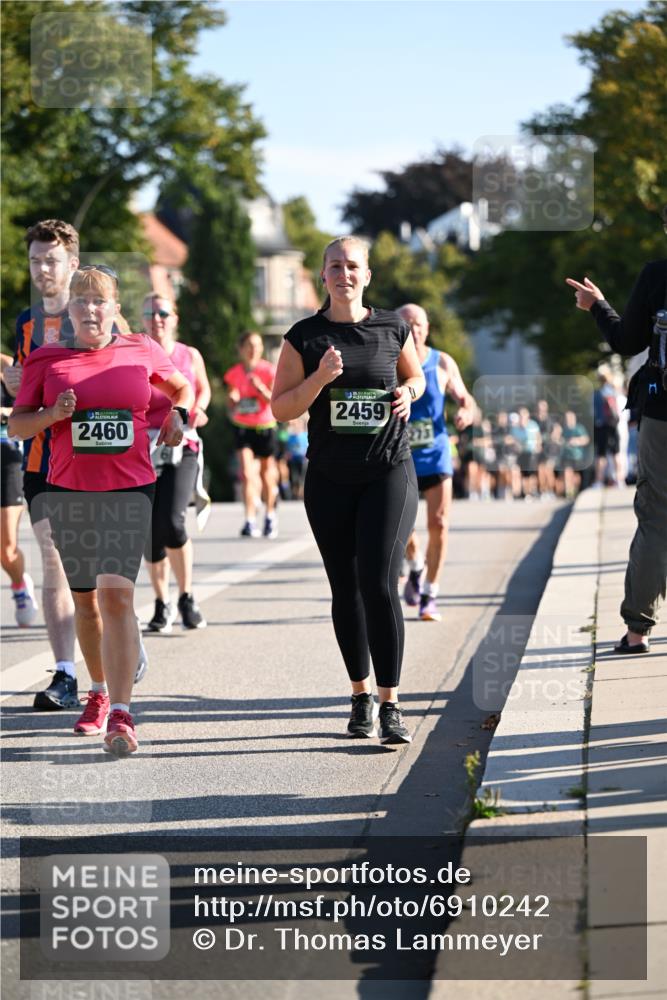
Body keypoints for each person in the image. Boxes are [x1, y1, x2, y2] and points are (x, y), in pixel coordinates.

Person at [9, 266, 193, 754]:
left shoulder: (140, 348)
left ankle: (123, 714)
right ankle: (98, 691)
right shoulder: (46, 359)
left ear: (115, 308)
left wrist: (179, 415)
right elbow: (18, 427)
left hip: (131, 488)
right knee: (87, 601)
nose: (90, 309)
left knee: (116, 597)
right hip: (68, 490)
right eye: (82, 300)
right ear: (68, 308)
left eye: (100, 301)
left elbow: (181, 388)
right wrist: (52, 415)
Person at [272, 236, 425, 744]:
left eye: (352, 265)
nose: (344, 273)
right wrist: (318, 379)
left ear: (367, 274)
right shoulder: (303, 337)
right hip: (330, 477)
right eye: (335, 266)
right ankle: (359, 694)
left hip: (388, 469)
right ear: (323, 276)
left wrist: (407, 392)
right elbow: (281, 409)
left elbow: (417, 378)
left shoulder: (393, 328)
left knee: (379, 581)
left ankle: (390, 703)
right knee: (346, 588)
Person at [566, 236, 667, 654]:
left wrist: (599, 307)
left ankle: (637, 631)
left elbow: (628, 342)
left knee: (656, 519)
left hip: (663, 413)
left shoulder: (657, 274)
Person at [4, 220, 80, 709]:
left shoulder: (97, 311)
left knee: (95, 574)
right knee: (54, 564)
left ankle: (123, 639)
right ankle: (66, 674)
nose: (41, 269)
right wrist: (14, 384)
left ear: (72, 262)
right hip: (41, 458)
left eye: (50, 260)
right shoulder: (26, 322)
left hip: (94, 459)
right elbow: (23, 396)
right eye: (34, 260)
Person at [397, 303, 475, 622]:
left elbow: (465, 398)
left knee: (439, 522)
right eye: (406, 324)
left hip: (436, 452)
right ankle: (416, 566)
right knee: (401, 528)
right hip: (399, 455)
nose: (413, 330)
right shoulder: (389, 363)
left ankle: (430, 593)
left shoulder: (441, 362)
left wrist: (466, 411)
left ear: (427, 328)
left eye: (418, 324)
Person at [141, 294, 211, 632]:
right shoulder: (135, 356)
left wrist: (198, 409)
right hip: (143, 446)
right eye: (150, 313)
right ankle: (161, 602)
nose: (157, 318)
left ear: (175, 318)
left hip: (183, 442)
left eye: (163, 313)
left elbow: (204, 390)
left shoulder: (189, 355)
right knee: (149, 530)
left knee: (172, 520)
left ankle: (186, 596)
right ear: (142, 320)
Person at [224, 331, 279, 539]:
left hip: (265, 426)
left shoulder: (269, 370)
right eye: (249, 345)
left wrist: (260, 388)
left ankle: (271, 515)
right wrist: (233, 398)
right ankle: (249, 520)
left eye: (257, 345)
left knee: (266, 475)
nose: (253, 349)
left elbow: (274, 400)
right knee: (247, 473)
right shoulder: (234, 373)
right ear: (241, 349)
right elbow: (232, 403)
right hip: (243, 426)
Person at [1, 354, 38, 625]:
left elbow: (29, 408)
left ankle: (19, 586)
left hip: (6, 459)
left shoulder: (7, 366)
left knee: (7, 548)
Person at [592, 365, 622, 487]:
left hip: (601, 426)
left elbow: (592, 412)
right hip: (614, 425)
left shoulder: (597, 393)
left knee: (601, 455)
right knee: (616, 453)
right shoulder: (615, 392)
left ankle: (599, 481)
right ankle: (620, 480)